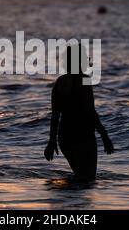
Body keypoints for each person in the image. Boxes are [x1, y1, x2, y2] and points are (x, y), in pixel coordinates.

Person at [44, 45, 114, 181]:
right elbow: (90, 111)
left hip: (65, 138)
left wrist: (52, 142)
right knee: (88, 180)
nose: (88, 59)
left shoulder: (59, 82)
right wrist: (104, 136)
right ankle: (75, 201)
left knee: (80, 177)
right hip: (84, 136)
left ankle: (71, 200)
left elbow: (55, 116)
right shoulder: (84, 80)